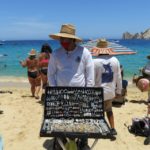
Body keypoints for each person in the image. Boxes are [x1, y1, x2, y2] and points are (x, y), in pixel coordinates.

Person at [48, 24, 94, 150]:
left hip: (81, 96)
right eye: (61, 39)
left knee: (82, 123)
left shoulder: (85, 53)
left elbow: (90, 77)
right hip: (61, 96)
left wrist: (87, 95)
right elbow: (51, 74)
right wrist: (55, 92)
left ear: (73, 40)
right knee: (62, 122)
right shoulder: (56, 54)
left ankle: (83, 142)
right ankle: (61, 141)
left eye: (66, 39)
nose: (63, 42)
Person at [93, 39, 122, 135]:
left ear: (97, 49)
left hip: (98, 93)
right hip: (110, 92)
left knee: (98, 111)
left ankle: (100, 129)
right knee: (109, 110)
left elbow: (91, 79)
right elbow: (119, 77)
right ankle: (112, 128)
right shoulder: (115, 60)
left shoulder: (94, 62)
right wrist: (119, 91)